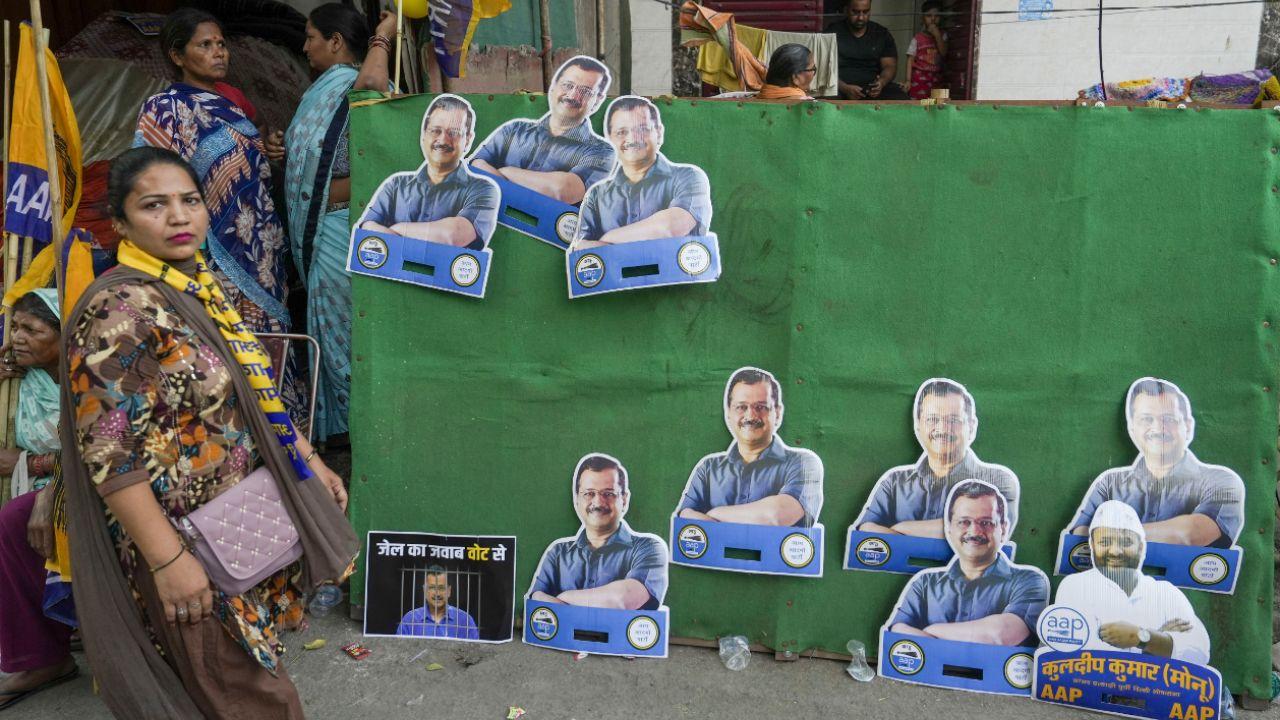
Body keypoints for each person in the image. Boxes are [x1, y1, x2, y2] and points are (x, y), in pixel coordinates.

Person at [62, 147, 357, 718]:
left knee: (238, 686)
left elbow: (248, 392)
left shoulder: (194, 285)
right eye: (155, 205)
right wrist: (169, 562)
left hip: (231, 529)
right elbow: (109, 455)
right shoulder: (119, 311)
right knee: (253, 698)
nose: (179, 217)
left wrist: (307, 460)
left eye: (189, 201)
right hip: (182, 543)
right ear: (119, 224)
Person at [135, 8, 306, 422]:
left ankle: (288, 436)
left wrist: (267, 150)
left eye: (221, 44)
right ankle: (244, 437)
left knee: (271, 333)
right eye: (205, 45)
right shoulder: (166, 107)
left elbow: (246, 164)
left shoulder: (232, 102)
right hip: (215, 255)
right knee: (229, 344)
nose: (218, 53)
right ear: (178, 55)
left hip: (261, 250)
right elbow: (149, 176)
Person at [263, 4, 395, 445]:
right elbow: (317, 159)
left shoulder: (359, 84)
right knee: (329, 324)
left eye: (311, 37)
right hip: (324, 231)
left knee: (343, 323)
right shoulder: (319, 92)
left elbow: (371, 91)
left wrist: (384, 36)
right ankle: (344, 428)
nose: (304, 46)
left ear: (335, 41)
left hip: (344, 228)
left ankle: (367, 427)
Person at [0, 290, 76, 711]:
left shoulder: (88, 375)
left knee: (15, 519)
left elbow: (97, 447)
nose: (18, 338)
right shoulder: (20, 382)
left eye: (32, 329)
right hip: (34, 484)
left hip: (89, 487)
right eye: (15, 327)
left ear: (64, 336)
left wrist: (35, 466)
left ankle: (40, 658)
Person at [1068, 378, 1244, 548]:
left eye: (1169, 419)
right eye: (1146, 419)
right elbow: (1080, 536)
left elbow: (1193, 533)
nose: (1158, 428)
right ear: (1132, 428)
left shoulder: (1222, 481)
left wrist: (1105, 536)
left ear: (1188, 426)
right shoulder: (1109, 484)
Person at [888, 481, 1048, 647]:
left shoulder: (1029, 581)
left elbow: (1000, 635)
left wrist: (932, 631)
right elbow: (899, 629)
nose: (974, 532)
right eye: (964, 522)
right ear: (949, 528)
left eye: (986, 522)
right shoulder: (925, 583)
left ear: (1004, 529)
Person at [856, 379, 1019, 537]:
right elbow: (866, 529)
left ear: (972, 426)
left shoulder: (997, 481)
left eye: (953, 420)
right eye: (932, 419)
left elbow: (991, 532)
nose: (942, 429)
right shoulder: (894, 483)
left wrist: (901, 528)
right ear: (918, 425)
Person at [1056, 501, 1211, 664]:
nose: (1115, 551)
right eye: (1105, 542)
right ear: (1092, 546)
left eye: (1126, 542)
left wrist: (1142, 637)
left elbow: (1199, 654)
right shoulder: (1075, 586)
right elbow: (1076, 653)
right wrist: (1161, 642)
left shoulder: (1166, 593)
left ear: (1141, 547)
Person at [677, 367, 824, 528]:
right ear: (728, 413)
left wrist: (714, 514)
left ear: (778, 413)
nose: (751, 416)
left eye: (761, 407)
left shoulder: (803, 463)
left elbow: (776, 516)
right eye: (741, 407)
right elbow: (686, 518)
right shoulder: (708, 469)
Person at [357, 95, 500, 250]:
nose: (443, 140)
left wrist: (396, 229)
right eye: (435, 130)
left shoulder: (484, 189)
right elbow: (367, 228)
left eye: (454, 132)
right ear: (423, 134)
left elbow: (453, 235)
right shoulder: (395, 185)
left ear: (468, 139)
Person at [529, 454, 668, 611]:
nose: (598, 503)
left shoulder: (648, 549)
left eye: (608, 493)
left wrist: (564, 597)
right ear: (577, 499)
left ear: (625, 499)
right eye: (589, 493)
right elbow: (537, 601)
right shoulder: (557, 554)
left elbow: (622, 600)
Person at [470, 55, 614, 204]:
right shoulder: (514, 129)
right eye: (568, 85)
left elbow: (561, 190)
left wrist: (506, 171)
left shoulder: (602, 152)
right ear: (553, 87)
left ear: (597, 100)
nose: (572, 95)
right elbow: (476, 166)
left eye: (585, 91)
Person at [573, 96, 713, 247]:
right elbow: (581, 249)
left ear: (659, 133)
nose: (633, 138)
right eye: (621, 132)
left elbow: (670, 227)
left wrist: (605, 241)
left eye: (642, 129)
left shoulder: (689, 177)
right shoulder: (596, 195)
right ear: (610, 137)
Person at [827, 0, 910, 100]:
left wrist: (881, 83)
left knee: (901, 98)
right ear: (846, 10)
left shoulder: (881, 33)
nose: (861, 17)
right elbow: (824, 69)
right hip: (840, 88)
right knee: (825, 101)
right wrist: (845, 88)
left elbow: (889, 66)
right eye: (855, 12)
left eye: (865, 12)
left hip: (871, 89)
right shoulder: (832, 32)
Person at [395, 565, 480, 640]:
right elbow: (398, 653)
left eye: (441, 588)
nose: (437, 593)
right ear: (425, 591)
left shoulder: (465, 621)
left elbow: (476, 654)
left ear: (449, 591)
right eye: (432, 588)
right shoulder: (410, 620)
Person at [905, 1, 947, 100]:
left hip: (938, 80)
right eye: (929, 16)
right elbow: (910, 60)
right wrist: (908, 80)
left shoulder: (943, 36)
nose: (933, 19)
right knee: (920, 107)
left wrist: (937, 35)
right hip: (919, 81)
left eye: (936, 16)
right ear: (923, 18)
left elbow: (944, 52)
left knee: (938, 107)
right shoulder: (917, 38)